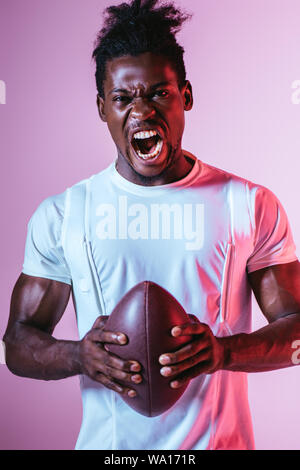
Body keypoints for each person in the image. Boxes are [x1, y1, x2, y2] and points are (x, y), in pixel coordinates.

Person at [3, 0, 300, 451]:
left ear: (186, 95)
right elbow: (17, 346)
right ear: (103, 108)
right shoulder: (65, 214)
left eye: (159, 93)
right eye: (123, 98)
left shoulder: (248, 204)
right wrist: (78, 356)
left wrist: (224, 352)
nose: (141, 111)